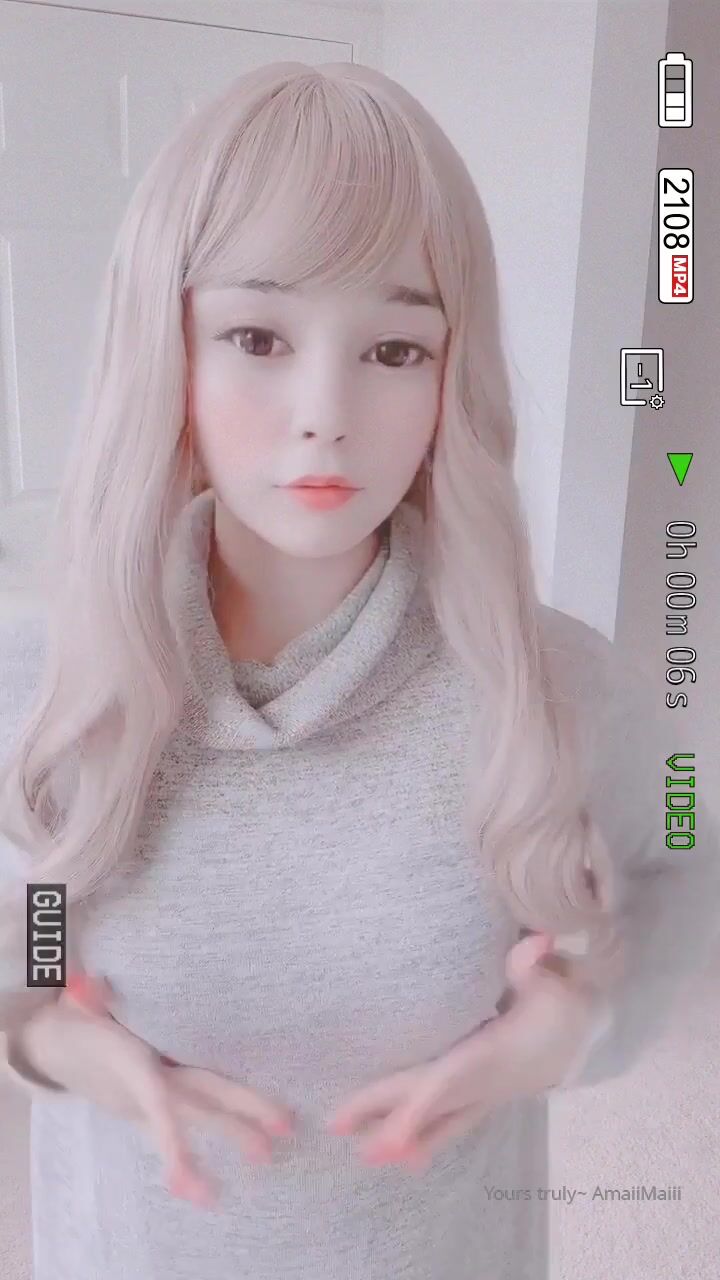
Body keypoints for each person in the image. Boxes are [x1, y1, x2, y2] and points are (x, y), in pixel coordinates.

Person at [0, 60, 718, 1280]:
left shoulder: (552, 683)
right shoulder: (50, 680)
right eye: (257, 336)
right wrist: (57, 1036)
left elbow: (685, 838)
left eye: (394, 347)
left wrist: (575, 1016)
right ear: (169, 352)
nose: (324, 410)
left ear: (451, 375)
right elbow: (33, 916)